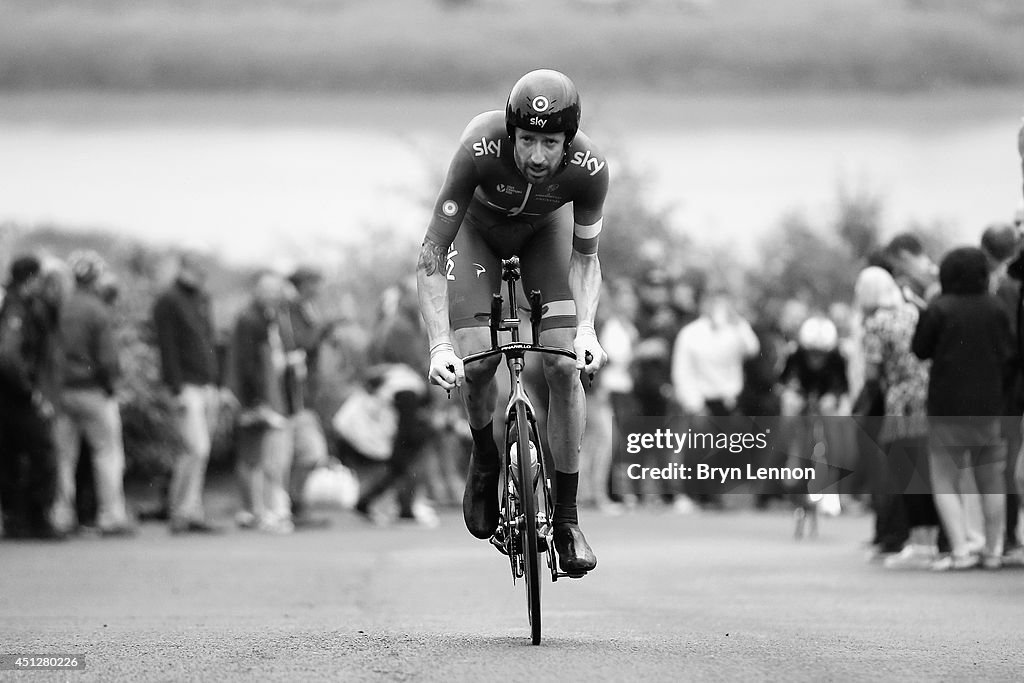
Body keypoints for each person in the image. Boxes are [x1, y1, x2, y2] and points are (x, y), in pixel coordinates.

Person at [415, 69, 608, 575]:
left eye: (550, 142)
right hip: (477, 238)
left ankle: (566, 519)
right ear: (510, 132)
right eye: (527, 140)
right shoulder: (478, 147)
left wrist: (586, 329)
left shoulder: (590, 168)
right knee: (478, 362)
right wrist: (439, 346)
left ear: (569, 140)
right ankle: (485, 460)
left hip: (544, 237)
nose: (538, 156)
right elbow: (432, 255)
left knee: (565, 368)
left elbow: (585, 259)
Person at [912, 247, 1012, 570]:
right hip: (990, 405)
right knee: (991, 480)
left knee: (945, 478)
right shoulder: (996, 308)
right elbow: (1009, 353)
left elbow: (920, 350)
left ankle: (960, 550)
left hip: (946, 406)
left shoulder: (939, 308)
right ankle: (994, 552)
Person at [855, 267, 941, 569]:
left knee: (907, 472)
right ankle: (930, 542)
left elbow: (872, 373)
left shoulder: (876, 322)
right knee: (926, 472)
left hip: (901, 402)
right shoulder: (912, 312)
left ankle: (918, 546)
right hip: (929, 398)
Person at [51, 251, 134, 537]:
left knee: (63, 457)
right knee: (107, 454)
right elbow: (107, 357)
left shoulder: (60, 306)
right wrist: (110, 385)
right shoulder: (97, 310)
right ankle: (111, 516)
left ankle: (61, 515)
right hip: (92, 391)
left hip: (62, 391)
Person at [152, 251, 223, 534]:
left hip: (206, 384)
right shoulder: (169, 300)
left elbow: (209, 341)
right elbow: (166, 347)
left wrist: (216, 382)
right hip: (186, 387)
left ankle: (191, 510)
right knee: (195, 448)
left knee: (199, 452)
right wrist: (175, 388)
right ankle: (180, 511)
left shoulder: (202, 298)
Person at [0, 256, 62, 540]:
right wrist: (29, 390)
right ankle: (37, 518)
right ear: (32, 278)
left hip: (7, 394)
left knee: (10, 456)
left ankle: (16, 519)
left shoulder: (14, 302)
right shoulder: (16, 306)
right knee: (43, 451)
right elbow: (8, 355)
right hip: (16, 394)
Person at [230, 271, 296, 534]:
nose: (273, 296)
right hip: (257, 397)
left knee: (256, 455)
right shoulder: (250, 320)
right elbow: (246, 363)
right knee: (259, 457)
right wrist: (257, 400)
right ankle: (260, 510)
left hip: (266, 395)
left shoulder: (268, 318)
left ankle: (256, 510)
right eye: (268, 291)